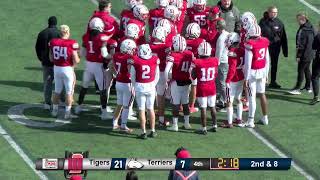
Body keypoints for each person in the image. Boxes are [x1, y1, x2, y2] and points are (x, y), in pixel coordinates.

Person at [75, 18, 112, 120]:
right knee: (103, 90)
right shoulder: (102, 37)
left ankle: (78, 107)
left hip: (88, 65)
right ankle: (104, 113)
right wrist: (112, 56)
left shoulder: (86, 36)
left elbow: (82, 53)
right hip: (98, 66)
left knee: (84, 87)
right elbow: (104, 54)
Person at [49, 25, 80, 119]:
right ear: (67, 32)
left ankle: (54, 111)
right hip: (67, 69)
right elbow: (76, 60)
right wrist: (78, 59)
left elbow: (51, 58)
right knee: (69, 92)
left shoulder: (53, 42)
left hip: (56, 68)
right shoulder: (72, 43)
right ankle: (67, 113)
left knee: (57, 90)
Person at [129, 44, 160, 139]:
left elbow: (132, 76)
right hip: (151, 86)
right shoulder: (154, 59)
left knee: (141, 109)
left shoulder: (135, 60)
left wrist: (136, 85)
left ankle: (143, 132)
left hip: (139, 86)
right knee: (150, 109)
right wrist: (153, 84)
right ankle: (153, 130)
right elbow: (157, 75)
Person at [165, 35, 193, 132]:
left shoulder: (173, 56)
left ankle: (175, 125)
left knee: (175, 104)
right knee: (185, 103)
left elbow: (166, 71)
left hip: (176, 82)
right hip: (187, 81)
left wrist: (167, 80)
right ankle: (186, 123)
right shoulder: (189, 54)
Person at [243, 24, 270, 128]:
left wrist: (246, 77)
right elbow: (267, 60)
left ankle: (250, 121)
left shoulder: (249, 44)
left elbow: (248, 63)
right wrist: (267, 74)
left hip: (253, 73)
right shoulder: (264, 41)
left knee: (251, 97)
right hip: (262, 72)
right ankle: (265, 117)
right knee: (262, 94)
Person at [190, 41, 218, 134]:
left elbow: (193, 76)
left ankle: (204, 128)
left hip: (202, 88)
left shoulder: (197, 62)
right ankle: (214, 125)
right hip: (212, 86)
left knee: (203, 108)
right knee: (212, 107)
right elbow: (216, 74)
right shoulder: (214, 60)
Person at [35, 16, 61, 110]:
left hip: (46, 62)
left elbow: (37, 47)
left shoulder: (42, 33)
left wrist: (41, 58)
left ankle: (47, 103)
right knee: (60, 83)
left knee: (47, 83)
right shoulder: (59, 33)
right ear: (56, 23)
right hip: (58, 63)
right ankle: (61, 101)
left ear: (48, 22)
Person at [259, 6, 288, 88]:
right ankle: (262, 81)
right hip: (264, 47)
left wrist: (285, 51)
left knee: (274, 64)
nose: (274, 14)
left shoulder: (279, 23)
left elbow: (283, 37)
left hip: (275, 47)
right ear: (268, 12)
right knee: (263, 64)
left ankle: (273, 81)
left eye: (276, 12)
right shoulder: (262, 22)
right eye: (273, 12)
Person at [111, 39, 137, 133]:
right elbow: (130, 70)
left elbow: (111, 66)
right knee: (126, 106)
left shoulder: (116, 55)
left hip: (118, 82)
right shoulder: (129, 57)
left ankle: (114, 123)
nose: (134, 50)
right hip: (127, 83)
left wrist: (116, 74)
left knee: (119, 104)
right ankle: (123, 125)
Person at [149, 26, 171, 127]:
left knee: (150, 97)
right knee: (160, 97)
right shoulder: (165, 47)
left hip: (150, 74)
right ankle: (161, 119)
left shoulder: (148, 46)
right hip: (161, 73)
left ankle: (149, 118)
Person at [289, 13, 315, 95]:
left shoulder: (303, 30)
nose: (297, 22)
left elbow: (301, 45)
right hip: (311, 53)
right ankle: (308, 87)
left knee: (300, 70)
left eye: (298, 20)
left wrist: (298, 56)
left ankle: (297, 88)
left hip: (304, 54)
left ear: (302, 20)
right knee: (306, 69)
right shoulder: (311, 27)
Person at [224, 33, 245, 128]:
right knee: (238, 98)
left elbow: (232, 68)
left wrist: (228, 80)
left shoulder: (232, 52)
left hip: (233, 79)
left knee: (229, 101)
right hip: (241, 77)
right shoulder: (242, 50)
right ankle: (239, 119)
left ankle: (229, 122)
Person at [215, 19, 230, 111]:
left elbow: (219, 52)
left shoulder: (221, 38)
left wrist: (216, 63)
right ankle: (222, 100)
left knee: (222, 83)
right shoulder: (229, 34)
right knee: (223, 82)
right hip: (228, 60)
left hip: (223, 62)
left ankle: (225, 102)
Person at [310, 22, 320, 105]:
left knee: (315, 77)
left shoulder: (318, 36)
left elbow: (314, 47)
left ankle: (316, 96)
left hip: (318, 60)